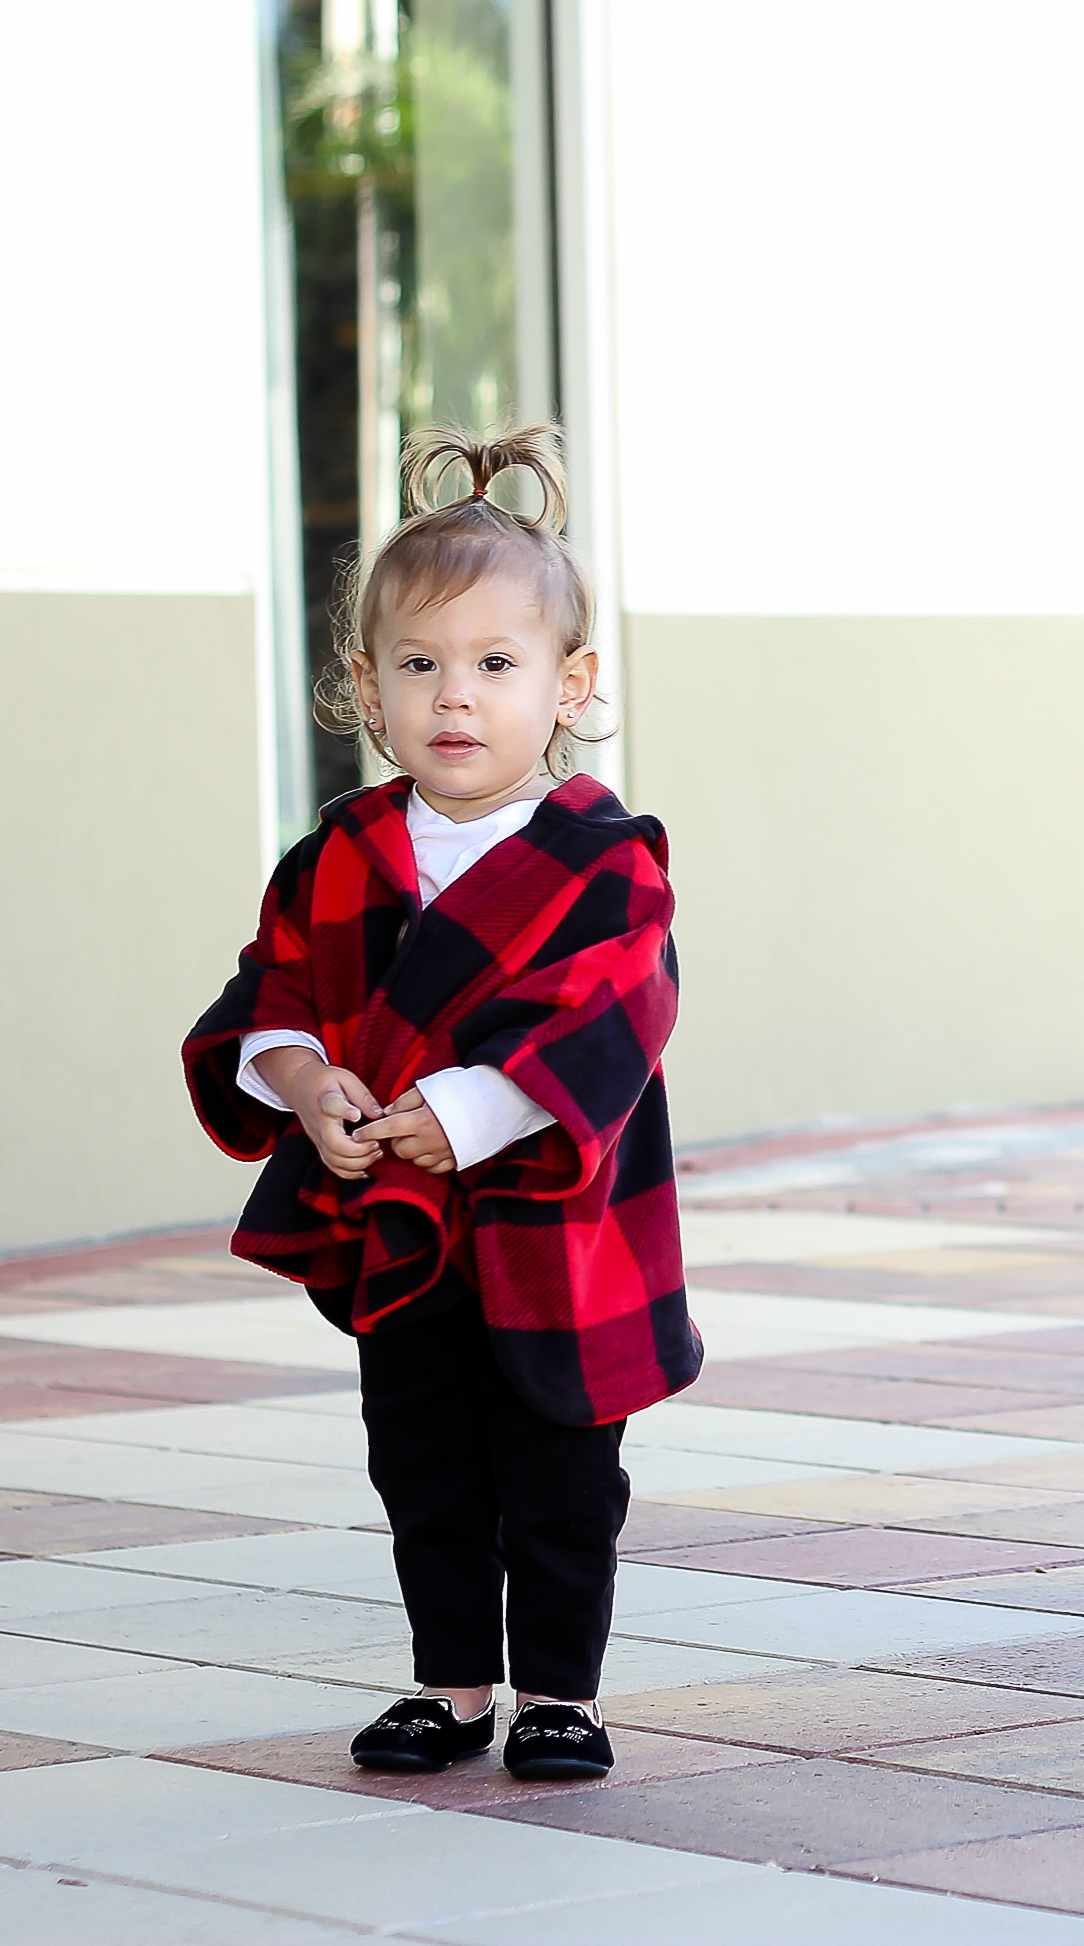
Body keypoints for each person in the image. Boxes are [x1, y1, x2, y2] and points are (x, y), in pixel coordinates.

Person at [184, 424, 699, 1780]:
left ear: (571, 685)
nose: (452, 698)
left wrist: (471, 1107)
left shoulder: (605, 859)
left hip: (554, 1229)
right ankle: (452, 1685)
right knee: (421, 1462)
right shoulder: (338, 855)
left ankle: (561, 1699)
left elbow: (620, 1015)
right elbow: (269, 994)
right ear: (367, 684)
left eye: (493, 664)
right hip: (396, 1225)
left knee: (562, 1476)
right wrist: (304, 1085)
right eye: (418, 665)